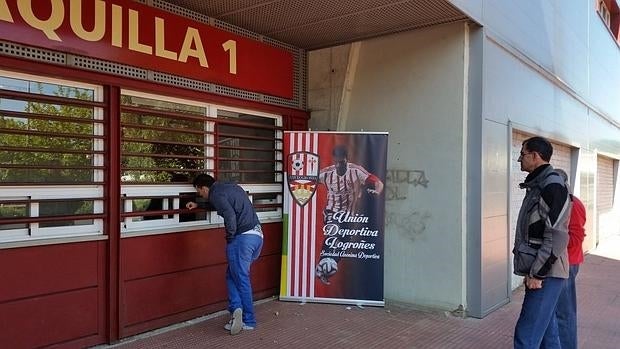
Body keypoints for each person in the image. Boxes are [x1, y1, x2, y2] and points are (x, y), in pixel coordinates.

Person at [186, 174, 263, 335]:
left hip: (242, 239)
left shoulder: (216, 194)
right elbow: (222, 205)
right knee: (232, 276)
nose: (201, 195)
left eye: (199, 192)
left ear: (204, 188)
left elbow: (229, 215)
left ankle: (248, 320)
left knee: (241, 278)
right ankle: (236, 310)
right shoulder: (230, 187)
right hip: (257, 236)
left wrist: (230, 238)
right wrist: (199, 205)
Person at [512, 136, 571, 349]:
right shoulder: (539, 184)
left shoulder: (551, 185)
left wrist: (538, 274)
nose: (519, 159)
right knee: (547, 333)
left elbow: (557, 236)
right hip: (545, 271)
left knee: (526, 337)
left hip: (547, 273)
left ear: (535, 156)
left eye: (522, 154)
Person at [315, 144, 384, 284]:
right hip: (332, 211)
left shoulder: (356, 171)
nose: (339, 165)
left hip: (349, 215)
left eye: (342, 162)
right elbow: (306, 181)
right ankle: (321, 265)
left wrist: (377, 192)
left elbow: (378, 182)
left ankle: (329, 265)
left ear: (347, 159)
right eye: (337, 162)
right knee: (333, 233)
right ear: (334, 160)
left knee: (344, 242)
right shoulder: (326, 173)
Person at [554, 168, 586, 349]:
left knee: (564, 312)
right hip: (558, 263)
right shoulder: (559, 202)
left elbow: (576, 238)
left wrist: (551, 245)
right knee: (554, 310)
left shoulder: (574, 204)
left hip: (567, 264)